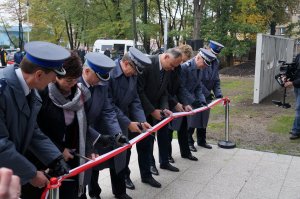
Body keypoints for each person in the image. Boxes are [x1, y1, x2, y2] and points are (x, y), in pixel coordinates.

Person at [0, 41, 70, 197]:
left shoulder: (30, 90)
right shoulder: (2, 90)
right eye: (52, 77)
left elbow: (32, 131)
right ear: (38, 75)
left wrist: (55, 158)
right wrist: (31, 174)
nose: (53, 81)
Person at [78, 52, 129, 199]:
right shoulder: (74, 84)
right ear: (87, 71)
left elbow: (108, 110)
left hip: (97, 131)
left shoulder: (101, 84)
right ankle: (93, 194)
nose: (100, 82)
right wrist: (92, 141)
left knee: (101, 161)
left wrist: (117, 133)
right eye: (98, 77)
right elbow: (80, 121)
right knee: (87, 169)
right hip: (81, 134)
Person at [108, 47, 153, 190]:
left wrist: (141, 119)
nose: (135, 74)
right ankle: (94, 191)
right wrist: (128, 123)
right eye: (134, 70)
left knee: (123, 154)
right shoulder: (109, 73)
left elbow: (135, 99)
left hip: (122, 120)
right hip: (107, 121)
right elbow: (109, 104)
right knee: (99, 160)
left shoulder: (132, 75)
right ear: (126, 63)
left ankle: (120, 188)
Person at [137, 48, 182, 179]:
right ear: (166, 57)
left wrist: (165, 108)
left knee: (164, 135)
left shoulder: (167, 69)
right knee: (146, 141)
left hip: (158, 109)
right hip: (143, 110)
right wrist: (151, 111)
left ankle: (164, 162)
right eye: (172, 65)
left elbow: (164, 91)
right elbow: (139, 91)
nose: (173, 69)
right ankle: (148, 169)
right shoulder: (148, 64)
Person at [188, 41, 224, 150]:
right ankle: (189, 142)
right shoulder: (199, 61)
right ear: (207, 49)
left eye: (216, 55)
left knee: (204, 119)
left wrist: (218, 94)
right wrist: (208, 93)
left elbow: (216, 79)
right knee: (193, 120)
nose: (214, 57)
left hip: (207, 96)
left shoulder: (215, 62)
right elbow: (198, 81)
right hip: (196, 95)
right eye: (213, 54)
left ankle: (201, 140)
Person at [180, 48, 216, 152]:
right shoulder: (185, 68)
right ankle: (187, 144)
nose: (205, 67)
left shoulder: (199, 68)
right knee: (185, 126)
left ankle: (187, 150)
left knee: (192, 123)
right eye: (204, 64)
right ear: (198, 58)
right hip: (183, 101)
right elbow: (182, 88)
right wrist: (193, 101)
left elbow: (198, 87)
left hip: (192, 98)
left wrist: (202, 101)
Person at [168, 44, 198, 162]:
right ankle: (167, 155)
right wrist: (176, 103)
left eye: (184, 61)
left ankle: (185, 152)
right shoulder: (170, 66)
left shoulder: (180, 67)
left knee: (183, 129)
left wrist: (186, 103)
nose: (181, 63)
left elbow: (181, 86)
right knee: (168, 132)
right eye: (181, 61)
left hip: (181, 101)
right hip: (170, 103)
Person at [284, 54, 300, 139]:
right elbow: (295, 70)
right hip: (297, 87)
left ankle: (296, 131)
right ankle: (297, 128)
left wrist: (292, 83)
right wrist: (288, 76)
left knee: (298, 109)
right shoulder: (298, 56)